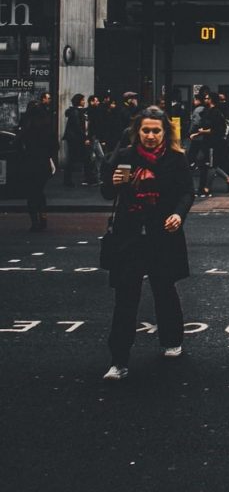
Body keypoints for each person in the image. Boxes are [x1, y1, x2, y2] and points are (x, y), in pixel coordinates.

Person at [99, 106, 195, 380]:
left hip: (162, 233)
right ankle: (118, 360)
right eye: (145, 130)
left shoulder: (176, 159)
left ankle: (172, 340)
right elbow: (106, 192)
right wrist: (114, 182)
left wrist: (178, 213)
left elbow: (187, 191)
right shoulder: (123, 156)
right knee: (126, 297)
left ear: (165, 132)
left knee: (164, 288)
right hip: (129, 235)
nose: (150, 136)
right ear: (136, 131)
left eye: (156, 130)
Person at [19, 92, 58, 231]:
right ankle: (43, 218)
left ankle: (34, 221)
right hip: (43, 163)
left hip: (30, 162)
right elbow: (55, 146)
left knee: (31, 193)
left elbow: (18, 144)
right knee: (39, 191)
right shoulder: (47, 126)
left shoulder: (27, 127)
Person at [62, 93, 91, 187]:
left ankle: (69, 180)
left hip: (74, 138)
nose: (84, 101)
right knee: (76, 158)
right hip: (75, 139)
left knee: (74, 159)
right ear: (79, 101)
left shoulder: (77, 111)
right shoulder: (75, 112)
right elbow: (77, 126)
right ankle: (69, 180)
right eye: (82, 100)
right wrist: (85, 137)